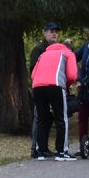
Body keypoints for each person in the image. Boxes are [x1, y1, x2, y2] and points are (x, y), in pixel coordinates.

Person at [30, 37, 78, 160]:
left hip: (37, 86)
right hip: (55, 85)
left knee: (42, 118)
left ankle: (41, 152)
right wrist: (65, 85)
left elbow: (33, 74)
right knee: (61, 118)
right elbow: (72, 75)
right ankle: (61, 152)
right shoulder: (68, 53)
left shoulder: (43, 55)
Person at [28, 22, 68, 158]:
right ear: (44, 33)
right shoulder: (39, 49)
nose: (54, 33)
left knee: (53, 118)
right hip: (41, 87)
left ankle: (48, 148)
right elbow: (33, 69)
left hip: (55, 86)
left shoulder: (59, 49)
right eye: (51, 31)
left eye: (56, 31)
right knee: (41, 117)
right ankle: (37, 148)